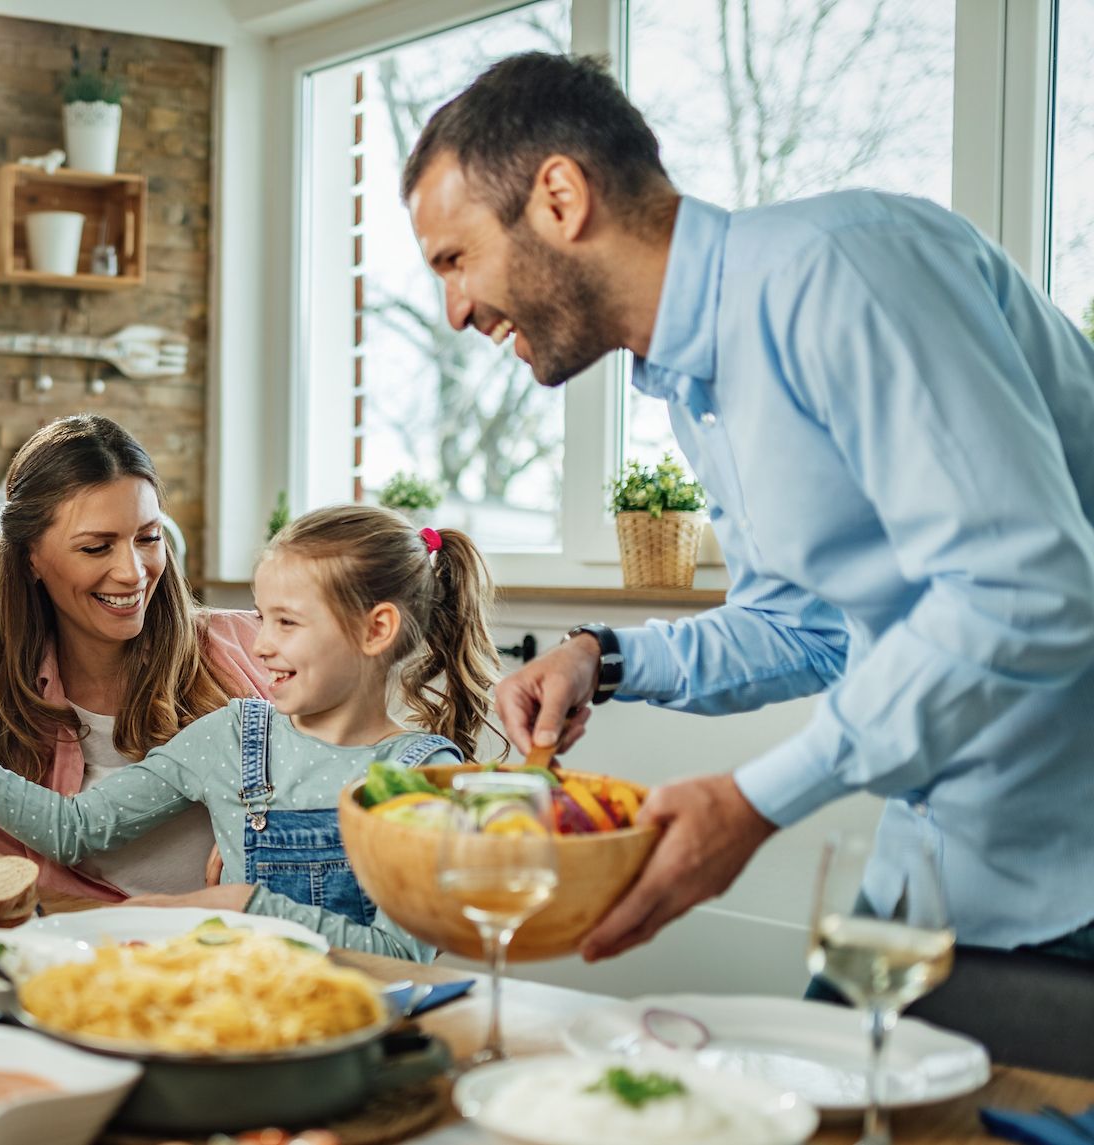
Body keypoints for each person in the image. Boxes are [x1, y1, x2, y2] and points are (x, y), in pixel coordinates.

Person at [402, 52, 1094, 962]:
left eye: (456, 259)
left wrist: (756, 800)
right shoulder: (697, 382)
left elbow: (1026, 589)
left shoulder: (845, 269)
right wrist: (601, 656)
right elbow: (809, 630)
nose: (454, 310)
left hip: (1071, 878)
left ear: (560, 199)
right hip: (939, 871)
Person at [0, 505, 500, 959]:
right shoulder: (235, 735)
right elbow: (76, 827)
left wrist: (245, 903)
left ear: (375, 629)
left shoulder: (417, 775)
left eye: (287, 623)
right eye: (262, 618)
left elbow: (402, 954)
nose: (261, 645)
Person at [0, 414, 271, 900]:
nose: (132, 572)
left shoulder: (257, 650)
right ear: (30, 560)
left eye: (148, 538)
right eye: (95, 547)